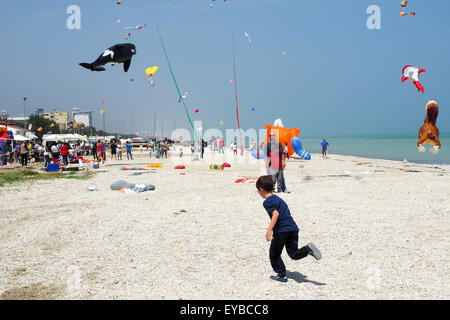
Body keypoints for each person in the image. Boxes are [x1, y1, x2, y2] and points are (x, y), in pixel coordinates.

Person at [256, 175, 322, 282]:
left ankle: (281, 274)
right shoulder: (279, 199)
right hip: (293, 229)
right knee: (293, 253)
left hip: (281, 231)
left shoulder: (267, 202)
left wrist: (269, 230)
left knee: (274, 254)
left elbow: (275, 214)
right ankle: (307, 249)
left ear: (261, 190)